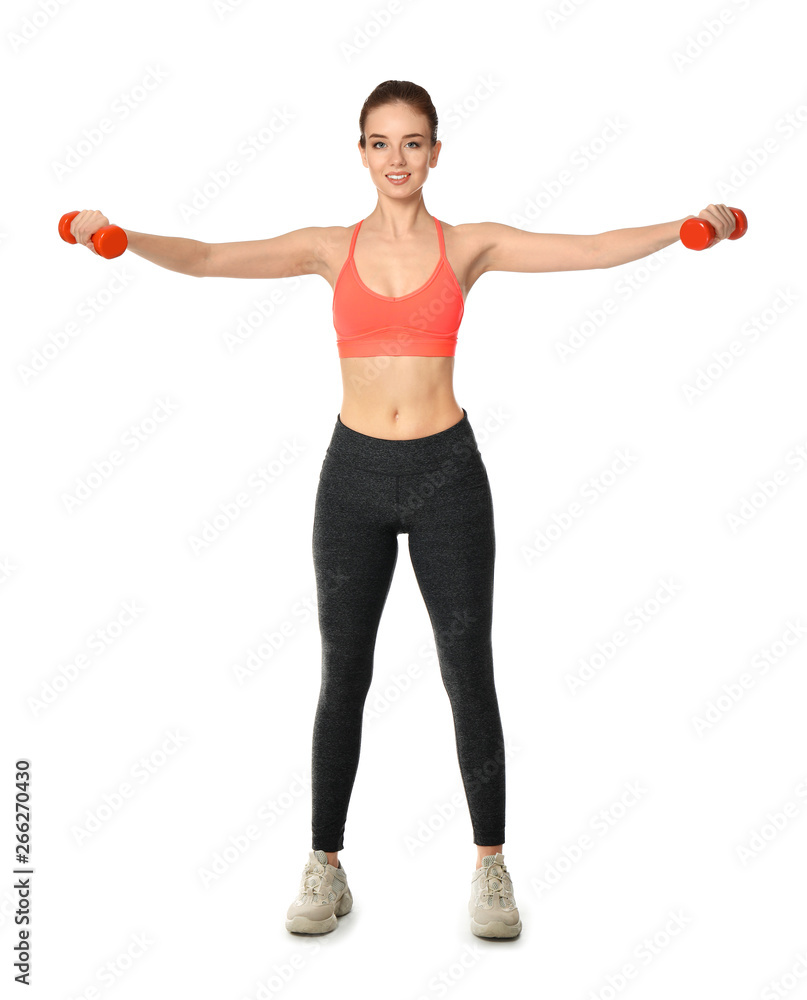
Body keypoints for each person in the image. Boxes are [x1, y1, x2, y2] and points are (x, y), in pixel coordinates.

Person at [66, 80, 738, 940]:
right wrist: (115, 238)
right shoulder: (325, 247)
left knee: (467, 671)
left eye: (412, 143)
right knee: (342, 674)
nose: (396, 159)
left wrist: (688, 227)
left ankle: (491, 866)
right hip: (352, 478)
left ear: (435, 152)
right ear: (360, 153)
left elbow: (591, 247)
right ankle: (324, 865)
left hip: (447, 473)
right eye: (381, 143)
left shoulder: (469, 245)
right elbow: (204, 256)